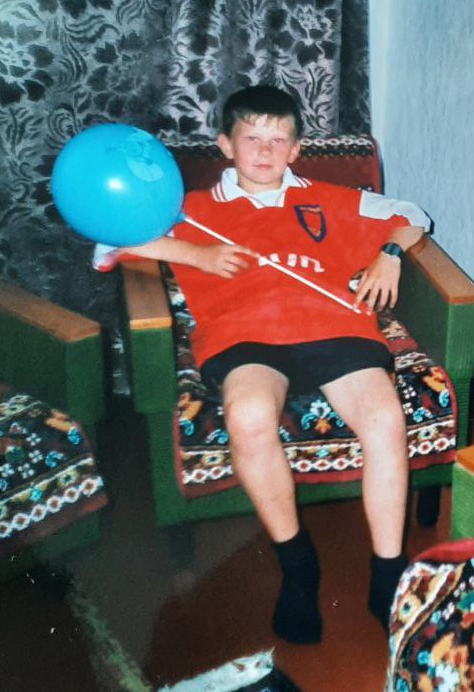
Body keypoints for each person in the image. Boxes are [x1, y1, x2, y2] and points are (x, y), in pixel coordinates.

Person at [100, 85, 429, 644]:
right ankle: (298, 565)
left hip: (335, 329)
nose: (265, 151)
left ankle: (387, 572)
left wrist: (390, 254)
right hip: (246, 337)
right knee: (249, 415)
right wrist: (193, 254)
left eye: (279, 140)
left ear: (296, 149)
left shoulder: (331, 198)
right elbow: (107, 240)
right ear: (226, 144)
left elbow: (412, 215)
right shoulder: (190, 210)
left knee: (385, 418)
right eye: (252, 138)